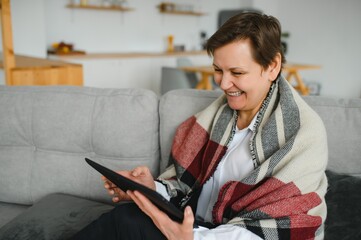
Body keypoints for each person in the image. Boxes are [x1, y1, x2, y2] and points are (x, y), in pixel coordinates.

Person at [70, 12, 328, 240]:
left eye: (237, 73)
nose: (224, 84)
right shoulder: (218, 118)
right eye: (218, 70)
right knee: (126, 215)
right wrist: (153, 188)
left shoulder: (304, 133)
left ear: (272, 66)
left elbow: (285, 220)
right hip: (197, 227)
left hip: (225, 235)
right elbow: (186, 189)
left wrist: (193, 237)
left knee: (122, 222)